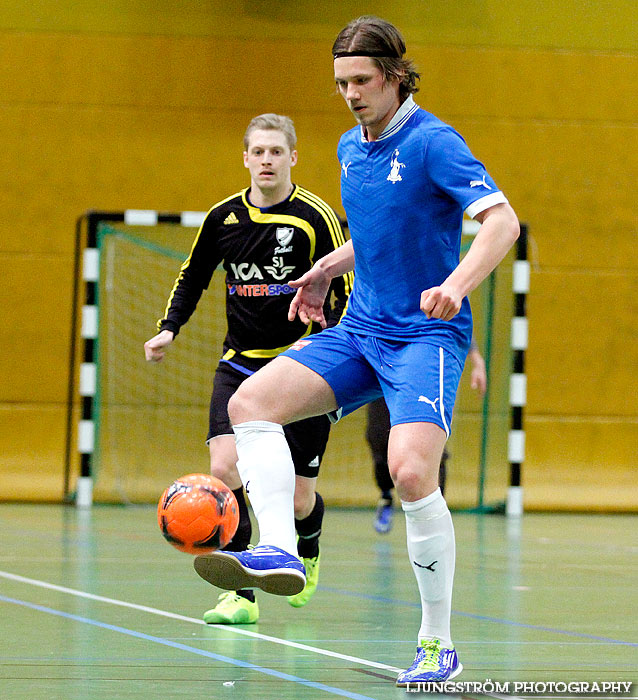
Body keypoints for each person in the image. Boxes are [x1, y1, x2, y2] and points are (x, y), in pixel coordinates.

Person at [191, 16, 519, 685]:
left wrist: (456, 286)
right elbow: (376, 236)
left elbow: (501, 223)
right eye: (341, 82)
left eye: (362, 80)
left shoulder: (433, 143)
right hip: (362, 329)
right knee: (251, 402)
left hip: (424, 336)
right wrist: (326, 269)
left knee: (409, 474)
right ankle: (280, 547)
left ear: (395, 75)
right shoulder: (348, 146)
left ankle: (437, 645)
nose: (350, 93)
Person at [144, 113, 351, 624]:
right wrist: (170, 327)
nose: (266, 160)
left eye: (276, 152)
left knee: (299, 499)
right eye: (257, 152)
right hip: (239, 366)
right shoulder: (223, 218)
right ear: (245, 158)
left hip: (302, 370)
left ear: (293, 158)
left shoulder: (314, 215)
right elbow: (193, 276)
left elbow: (345, 286)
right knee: (224, 470)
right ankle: (240, 594)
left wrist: (332, 348)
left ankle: (307, 545)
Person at [370, 340, 487, 533]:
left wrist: (476, 359)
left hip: (426, 366)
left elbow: (457, 314)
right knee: (379, 437)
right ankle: (385, 495)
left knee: (431, 446)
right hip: (386, 362)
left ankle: (435, 515)